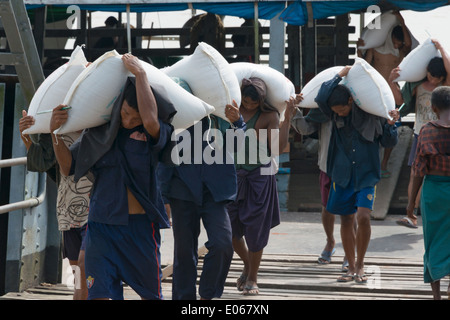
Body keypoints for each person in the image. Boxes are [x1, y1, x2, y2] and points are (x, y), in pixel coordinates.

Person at [50, 53, 175, 300]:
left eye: (135, 118)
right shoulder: (99, 132)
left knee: (152, 295)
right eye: (126, 113)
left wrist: (140, 74)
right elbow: (67, 167)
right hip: (101, 226)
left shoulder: (155, 134)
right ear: (118, 105)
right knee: (98, 294)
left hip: (139, 229)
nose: (129, 120)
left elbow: (150, 119)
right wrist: (54, 133)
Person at [315, 66, 399, 283]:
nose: (339, 113)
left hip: (367, 174)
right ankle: (350, 267)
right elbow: (321, 96)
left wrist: (392, 125)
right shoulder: (333, 115)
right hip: (342, 174)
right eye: (336, 111)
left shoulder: (373, 114)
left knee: (363, 217)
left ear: (351, 101)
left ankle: (360, 264)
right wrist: (339, 76)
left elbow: (389, 142)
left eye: (342, 109)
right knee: (346, 218)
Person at [159, 96, 246, 300]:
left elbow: (236, 147)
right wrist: (164, 197)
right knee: (184, 252)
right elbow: (166, 157)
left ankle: (207, 296)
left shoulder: (221, 116)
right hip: (182, 191)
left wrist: (238, 122)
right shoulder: (179, 114)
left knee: (223, 243)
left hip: (215, 192)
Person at [226, 77, 297, 295]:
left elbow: (278, 147)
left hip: (259, 177)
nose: (249, 106)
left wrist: (287, 119)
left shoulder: (269, 116)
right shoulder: (231, 111)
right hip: (234, 176)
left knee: (256, 230)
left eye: (253, 103)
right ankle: (248, 265)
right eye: (246, 101)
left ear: (262, 100)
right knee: (229, 229)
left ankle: (253, 278)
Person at [19, 115, 91, 300]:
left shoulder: (100, 129)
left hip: (95, 214)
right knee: (79, 279)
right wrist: (26, 135)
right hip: (67, 214)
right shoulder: (56, 127)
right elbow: (43, 162)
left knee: (87, 273)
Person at [388, 39, 450, 228]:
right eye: (430, 76)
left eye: (436, 79)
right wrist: (392, 81)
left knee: (434, 173)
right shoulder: (417, 86)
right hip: (420, 133)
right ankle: (411, 213)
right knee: (416, 173)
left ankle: (425, 212)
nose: (432, 80)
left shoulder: (445, 88)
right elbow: (402, 102)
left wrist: (440, 48)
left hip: (442, 134)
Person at [291, 105, 350, 270]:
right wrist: (293, 111)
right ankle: (330, 242)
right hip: (327, 166)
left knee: (350, 214)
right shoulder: (324, 108)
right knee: (327, 208)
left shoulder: (357, 107)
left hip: (350, 168)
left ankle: (349, 252)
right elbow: (305, 128)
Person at [357, 11, 412, 178]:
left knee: (391, 131)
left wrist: (401, 21)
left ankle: (384, 163)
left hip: (393, 93)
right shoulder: (375, 49)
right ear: (389, 38)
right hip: (375, 91)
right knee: (371, 129)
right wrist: (359, 49)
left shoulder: (400, 52)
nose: (397, 45)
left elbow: (408, 44)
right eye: (396, 42)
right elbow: (364, 66)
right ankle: (371, 161)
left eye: (399, 43)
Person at [407, 86, 450, 300]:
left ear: (433, 108)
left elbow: (418, 171)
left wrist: (410, 205)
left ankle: (436, 296)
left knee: (433, 242)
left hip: (434, 192)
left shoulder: (427, 130)